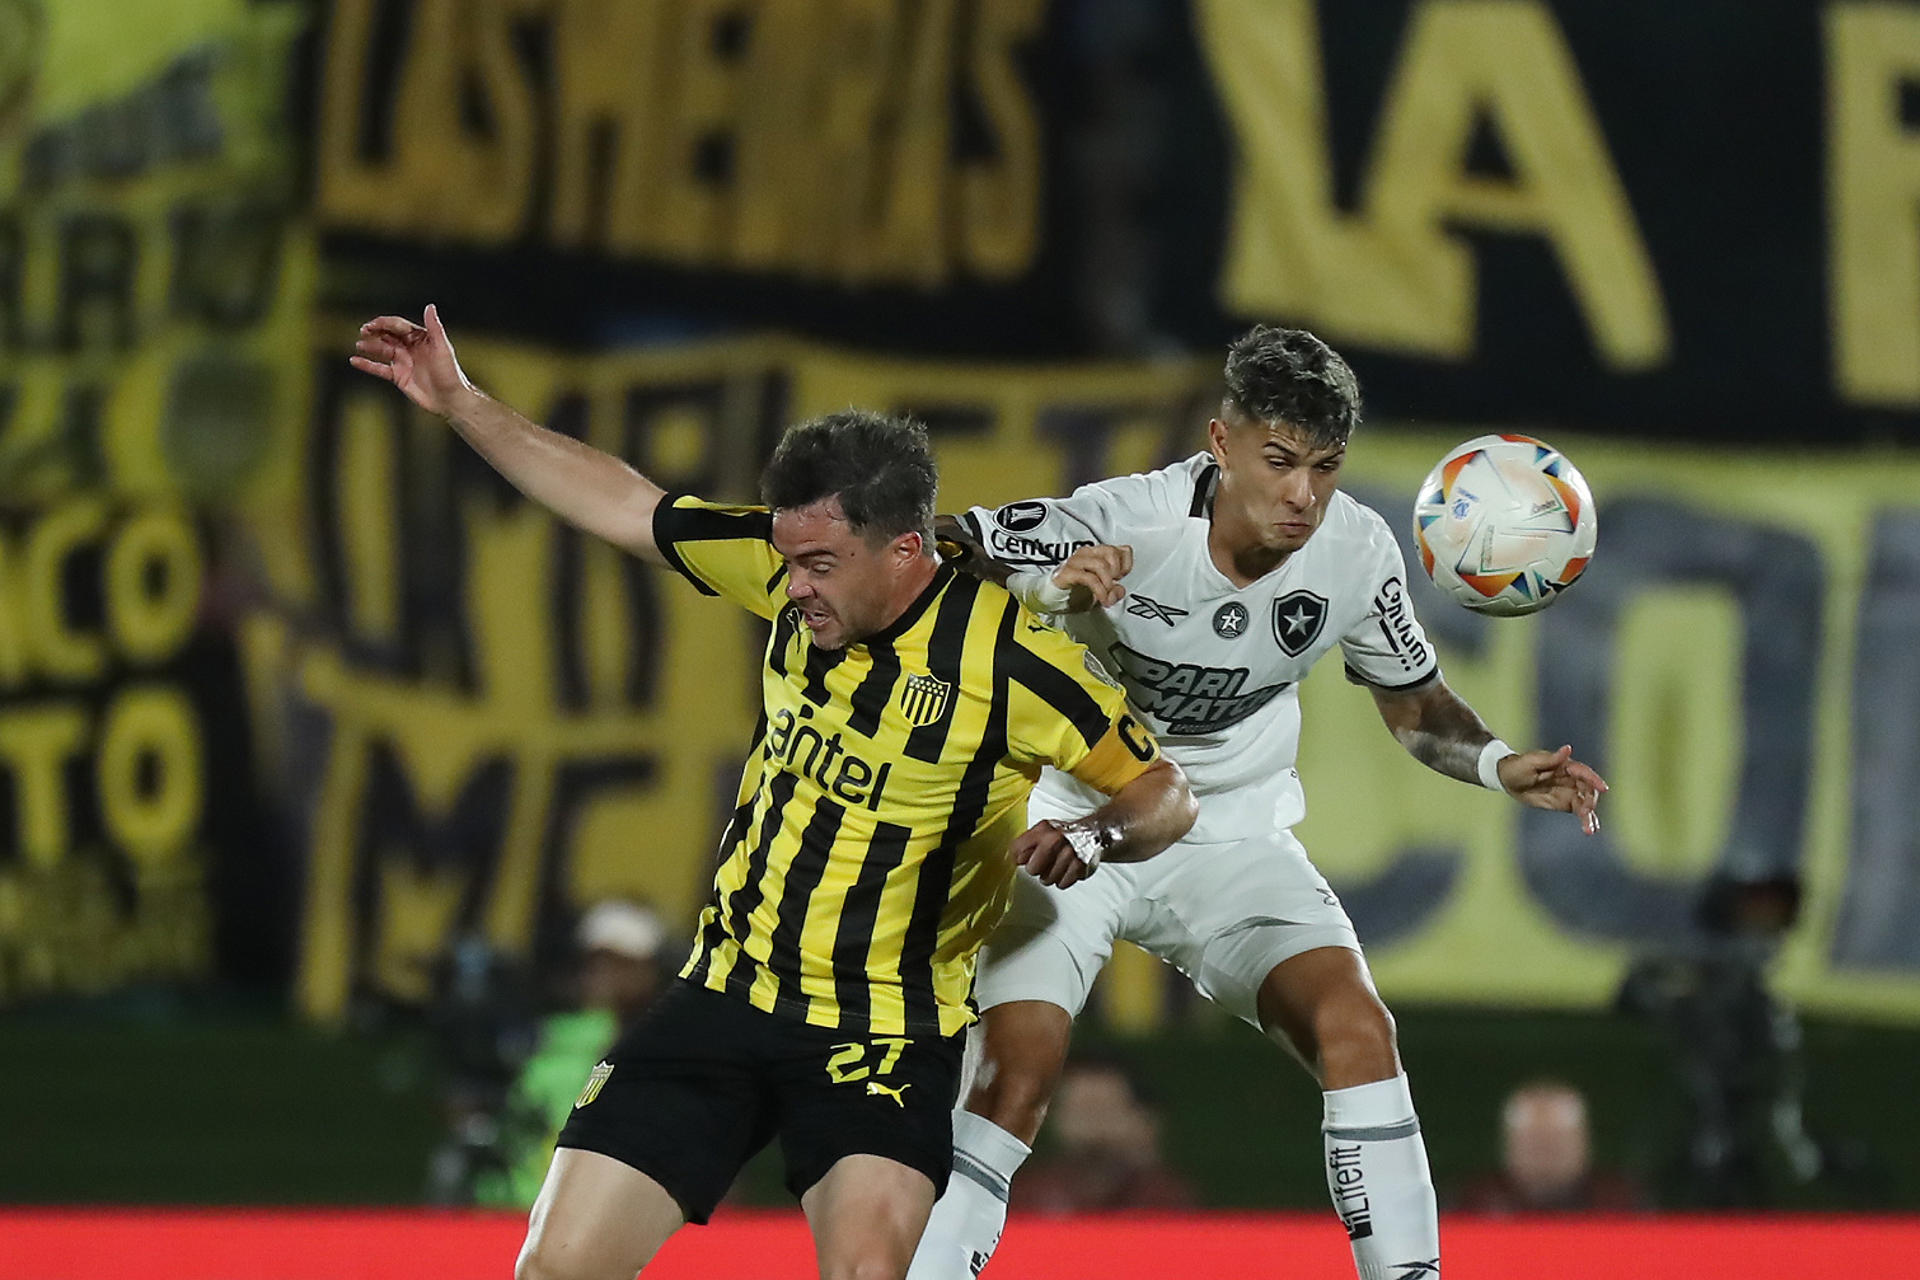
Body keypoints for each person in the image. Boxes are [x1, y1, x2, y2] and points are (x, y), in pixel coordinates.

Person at [350, 306, 1198, 1280]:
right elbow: (628, 503)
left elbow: (1164, 790)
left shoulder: (1014, 660)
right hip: (726, 992)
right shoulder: (791, 571)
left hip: (886, 1033)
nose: (792, 586)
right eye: (788, 559)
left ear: (906, 551)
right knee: (554, 1267)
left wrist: (1097, 834)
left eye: (820, 564)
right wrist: (462, 404)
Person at [908, 325, 1608, 1280]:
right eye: (1279, 462)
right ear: (1220, 442)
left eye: (1324, 467)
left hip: (1233, 837)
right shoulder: (1122, 519)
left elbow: (1413, 701)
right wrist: (1033, 579)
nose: (1302, 495)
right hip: (1070, 820)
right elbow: (932, 551)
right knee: (1013, 1075)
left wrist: (1496, 763)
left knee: (1358, 1029)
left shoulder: (1355, 551)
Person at [473, 900, 672, 1210]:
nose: (604, 974)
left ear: (649, 971)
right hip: (527, 1213)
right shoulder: (550, 1041)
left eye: (622, 963)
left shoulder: (670, 1049)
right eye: (596, 961)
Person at [1009, 1052, 1194, 1213]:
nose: (1092, 1126)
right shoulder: (1031, 1196)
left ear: (1141, 1121)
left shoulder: (1163, 1199)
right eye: (1080, 1111)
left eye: (1104, 1110)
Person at [1453, 1080, 1643, 1213]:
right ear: (1508, 1146)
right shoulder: (1475, 1204)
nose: (1545, 1155)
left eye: (1556, 1143)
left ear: (1583, 1144)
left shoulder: (1619, 1204)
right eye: (1534, 1144)